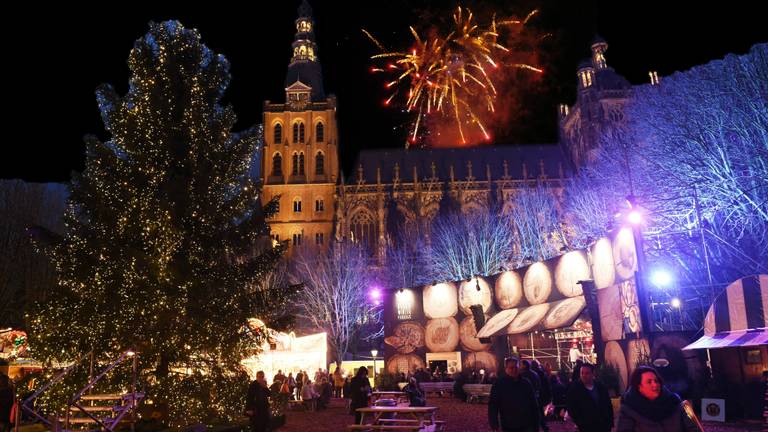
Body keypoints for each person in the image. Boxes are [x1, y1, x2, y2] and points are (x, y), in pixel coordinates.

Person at [617, 365, 699, 432]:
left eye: (656, 381)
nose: (655, 385)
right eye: (649, 382)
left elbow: (692, 428)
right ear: (639, 387)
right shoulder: (629, 409)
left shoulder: (674, 403)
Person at [488, 357, 539, 432]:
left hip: (527, 423)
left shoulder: (526, 383)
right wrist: (494, 424)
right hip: (509, 424)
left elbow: (534, 404)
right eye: (511, 368)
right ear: (506, 369)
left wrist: (536, 422)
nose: (514, 370)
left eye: (516, 367)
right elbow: (493, 405)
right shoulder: (499, 384)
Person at [566, 363, 613, 432]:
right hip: (586, 426)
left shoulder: (600, 387)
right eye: (582, 373)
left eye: (587, 373)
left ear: (593, 374)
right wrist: (580, 423)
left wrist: (610, 422)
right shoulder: (575, 389)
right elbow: (571, 408)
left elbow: (608, 405)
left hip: (603, 425)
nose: (583, 375)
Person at [531, 360, 551, 431]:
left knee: (535, 412)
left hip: (534, 395)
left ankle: (539, 426)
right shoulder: (542, 373)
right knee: (540, 411)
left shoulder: (531, 373)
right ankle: (543, 426)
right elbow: (546, 384)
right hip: (540, 395)